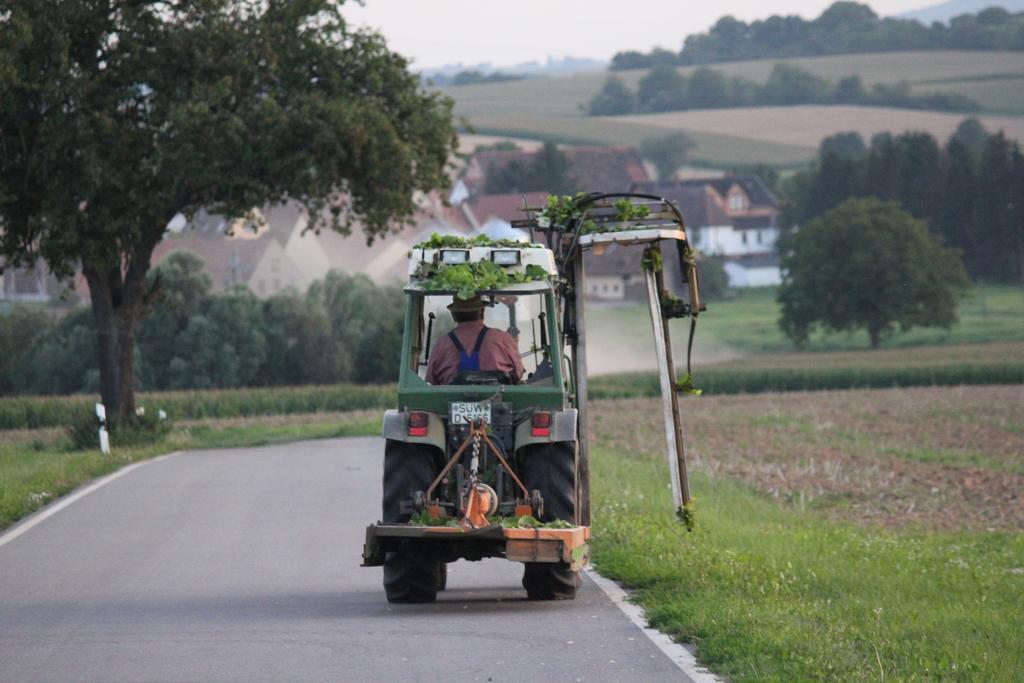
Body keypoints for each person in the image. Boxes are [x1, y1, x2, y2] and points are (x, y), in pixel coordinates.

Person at [426, 295, 524, 385]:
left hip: (448, 401)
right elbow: (517, 374)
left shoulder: (442, 344)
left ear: (454, 315)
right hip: (499, 399)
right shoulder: (503, 338)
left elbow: (431, 381)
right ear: (482, 311)